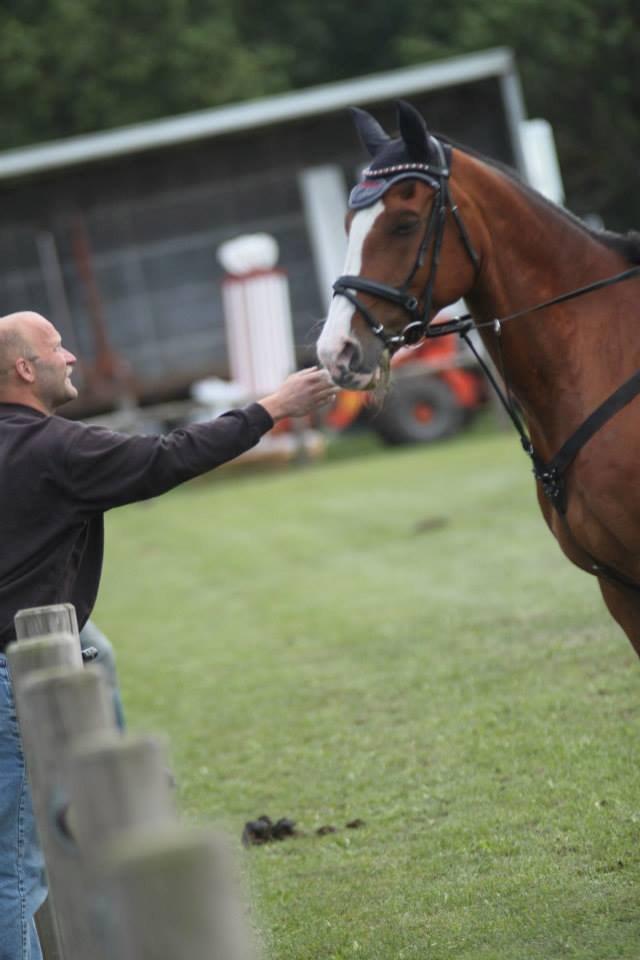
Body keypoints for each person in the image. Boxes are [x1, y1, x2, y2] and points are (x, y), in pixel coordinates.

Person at [0, 309, 337, 960]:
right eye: (57, 347)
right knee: (15, 871)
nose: (71, 356)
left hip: (26, 665)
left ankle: (117, 786)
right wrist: (272, 408)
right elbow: (167, 459)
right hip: (10, 681)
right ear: (24, 368)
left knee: (97, 650)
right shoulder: (55, 449)